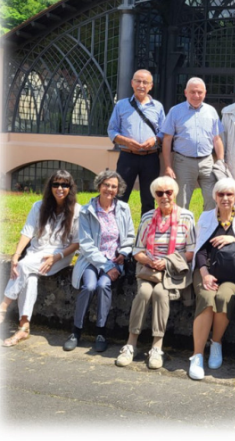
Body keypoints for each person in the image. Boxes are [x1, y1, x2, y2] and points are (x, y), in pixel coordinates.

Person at [116, 176, 196, 370]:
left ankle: (157, 346)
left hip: (172, 269)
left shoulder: (187, 217)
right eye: (159, 193)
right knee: (143, 293)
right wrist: (150, 261)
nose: (165, 196)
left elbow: (191, 251)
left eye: (168, 192)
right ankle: (131, 343)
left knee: (160, 293)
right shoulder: (147, 217)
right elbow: (137, 250)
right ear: (154, 195)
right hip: (147, 268)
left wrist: (166, 261)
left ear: (175, 193)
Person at [1, 171, 81, 346]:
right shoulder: (39, 206)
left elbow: (77, 243)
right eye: (56, 184)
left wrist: (56, 257)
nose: (60, 188)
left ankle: (3, 307)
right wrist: (15, 255)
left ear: (70, 188)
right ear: (50, 187)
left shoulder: (76, 210)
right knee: (29, 278)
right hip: (36, 252)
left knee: (24, 266)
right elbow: (27, 233)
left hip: (60, 254)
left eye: (64, 185)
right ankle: (24, 326)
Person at [188, 178, 235, 381]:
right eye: (221, 194)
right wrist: (205, 274)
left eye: (229, 194)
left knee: (224, 297)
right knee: (208, 298)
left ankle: (216, 343)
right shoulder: (207, 218)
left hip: (232, 275)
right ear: (215, 196)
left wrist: (234, 239)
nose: (225, 198)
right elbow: (200, 250)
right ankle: (197, 354)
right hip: (206, 271)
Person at [63, 170, 135, 353]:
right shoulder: (87, 211)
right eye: (106, 185)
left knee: (104, 285)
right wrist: (107, 265)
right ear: (99, 186)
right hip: (91, 260)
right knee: (89, 286)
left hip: (114, 259)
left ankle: (100, 332)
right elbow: (86, 244)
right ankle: (76, 331)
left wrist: (124, 253)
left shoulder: (123, 209)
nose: (109, 189)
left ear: (118, 190)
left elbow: (129, 237)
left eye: (114, 186)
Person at [161, 77, 224, 212]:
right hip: (184, 162)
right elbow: (167, 140)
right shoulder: (175, 111)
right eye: (193, 92)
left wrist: (220, 161)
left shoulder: (211, 111)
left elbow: (217, 139)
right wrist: (168, 166)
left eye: (200, 92)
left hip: (207, 161)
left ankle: (208, 230)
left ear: (205, 93)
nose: (196, 96)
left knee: (212, 199)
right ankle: (182, 231)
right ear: (186, 93)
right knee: (182, 201)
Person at [108, 69, 165, 216]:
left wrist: (154, 140)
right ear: (131, 83)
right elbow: (112, 130)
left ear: (151, 86)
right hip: (128, 156)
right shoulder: (121, 105)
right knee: (120, 196)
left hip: (150, 157)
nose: (141, 85)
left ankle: (146, 233)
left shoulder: (158, 106)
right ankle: (117, 232)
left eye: (145, 82)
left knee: (149, 198)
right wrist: (125, 141)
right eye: (138, 81)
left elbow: (164, 132)